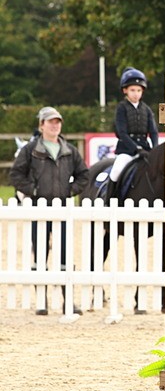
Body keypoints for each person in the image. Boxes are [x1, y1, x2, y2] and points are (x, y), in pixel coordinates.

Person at [8, 107, 88, 314]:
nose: (55, 125)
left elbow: (84, 175)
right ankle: (41, 301)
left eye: (58, 121)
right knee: (41, 254)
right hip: (38, 210)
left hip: (62, 210)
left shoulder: (69, 150)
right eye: (51, 122)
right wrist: (32, 190)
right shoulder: (30, 149)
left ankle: (67, 300)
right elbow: (16, 175)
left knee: (64, 256)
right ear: (41, 125)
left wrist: (70, 191)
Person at [109, 67, 158, 192]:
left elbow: (153, 131)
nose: (136, 93)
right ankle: (109, 200)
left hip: (145, 149)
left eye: (139, 90)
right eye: (132, 90)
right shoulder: (121, 108)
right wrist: (136, 148)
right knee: (116, 171)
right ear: (125, 90)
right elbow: (122, 132)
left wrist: (155, 149)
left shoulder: (146, 109)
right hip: (126, 149)